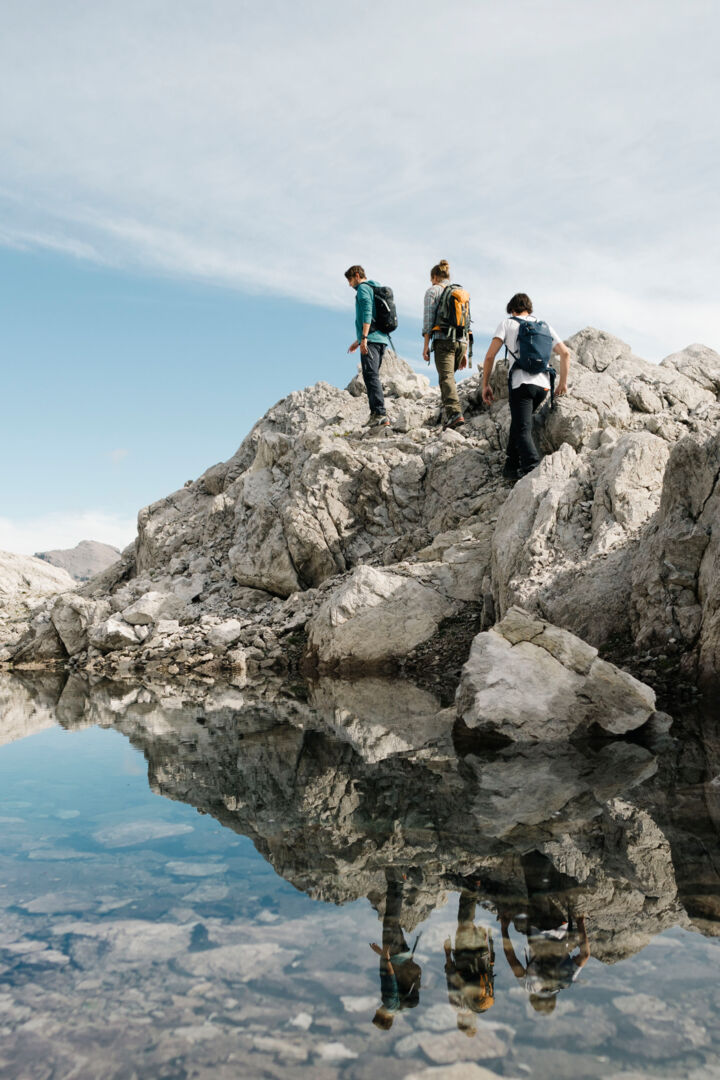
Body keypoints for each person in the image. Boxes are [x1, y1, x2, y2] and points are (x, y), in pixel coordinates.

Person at [482, 293, 570, 480]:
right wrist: (562, 383)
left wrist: (485, 384)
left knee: (523, 429)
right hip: (543, 386)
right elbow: (565, 353)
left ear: (512, 310)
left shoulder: (507, 323)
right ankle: (511, 466)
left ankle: (533, 470)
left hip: (521, 384)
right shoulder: (544, 326)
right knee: (519, 423)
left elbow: (490, 356)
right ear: (529, 309)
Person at [369, 877, 422, 1029]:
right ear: (382, 1016)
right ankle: (397, 883)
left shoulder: (400, 1008)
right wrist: (385, 957)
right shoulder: (389, 1004)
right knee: (390, 922)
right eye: (377, 1014)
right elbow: (391, 980)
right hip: (393, 956)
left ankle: (399, 886)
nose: (376, 1010)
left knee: (394, 923)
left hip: (404, 958)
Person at [422, 259, 468, 430]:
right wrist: (465, 351)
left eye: (431, 279)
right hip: (461, 342)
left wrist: (426, 345)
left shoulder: (432, 291)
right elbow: (466, 322)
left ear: (435, 277)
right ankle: (448, 411)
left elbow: (428, 321)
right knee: (449, 378)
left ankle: (455, 414)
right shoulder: (460, 291)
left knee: (446, 378)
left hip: (444, 340)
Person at [443, 889, 495, 1037]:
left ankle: (475, 891)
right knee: (464, 921)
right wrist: (447, 953)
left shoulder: (483, 1004)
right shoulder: (458, 1006)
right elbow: (452, 977)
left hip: (483, 955)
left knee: (469, 924)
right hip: (464, 956)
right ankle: (472, 887)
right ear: (460, 1020)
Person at [345, 265, 392, 428]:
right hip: (381, 339)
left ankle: (379, 414)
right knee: (372, 376)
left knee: (371, 376)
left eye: (350, 280)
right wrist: (357, 341)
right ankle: (375, 414)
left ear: (357, 275)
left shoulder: (363, 289)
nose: (350, 284)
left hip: (370, 339)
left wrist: (364, 338)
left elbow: (367, 312)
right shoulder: (374, 287)